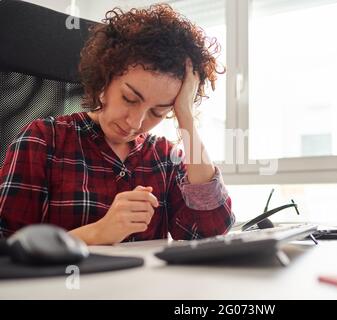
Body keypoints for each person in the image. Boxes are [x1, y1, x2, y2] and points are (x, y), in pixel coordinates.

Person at [0, 4, 234, 245]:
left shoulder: (165, 157)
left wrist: (186, 116)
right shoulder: (42, 140)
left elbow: (209, 234)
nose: (136, 122)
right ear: (105, 78)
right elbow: (8, 251)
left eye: (158, 111)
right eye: (129, 98)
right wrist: (96, 233)